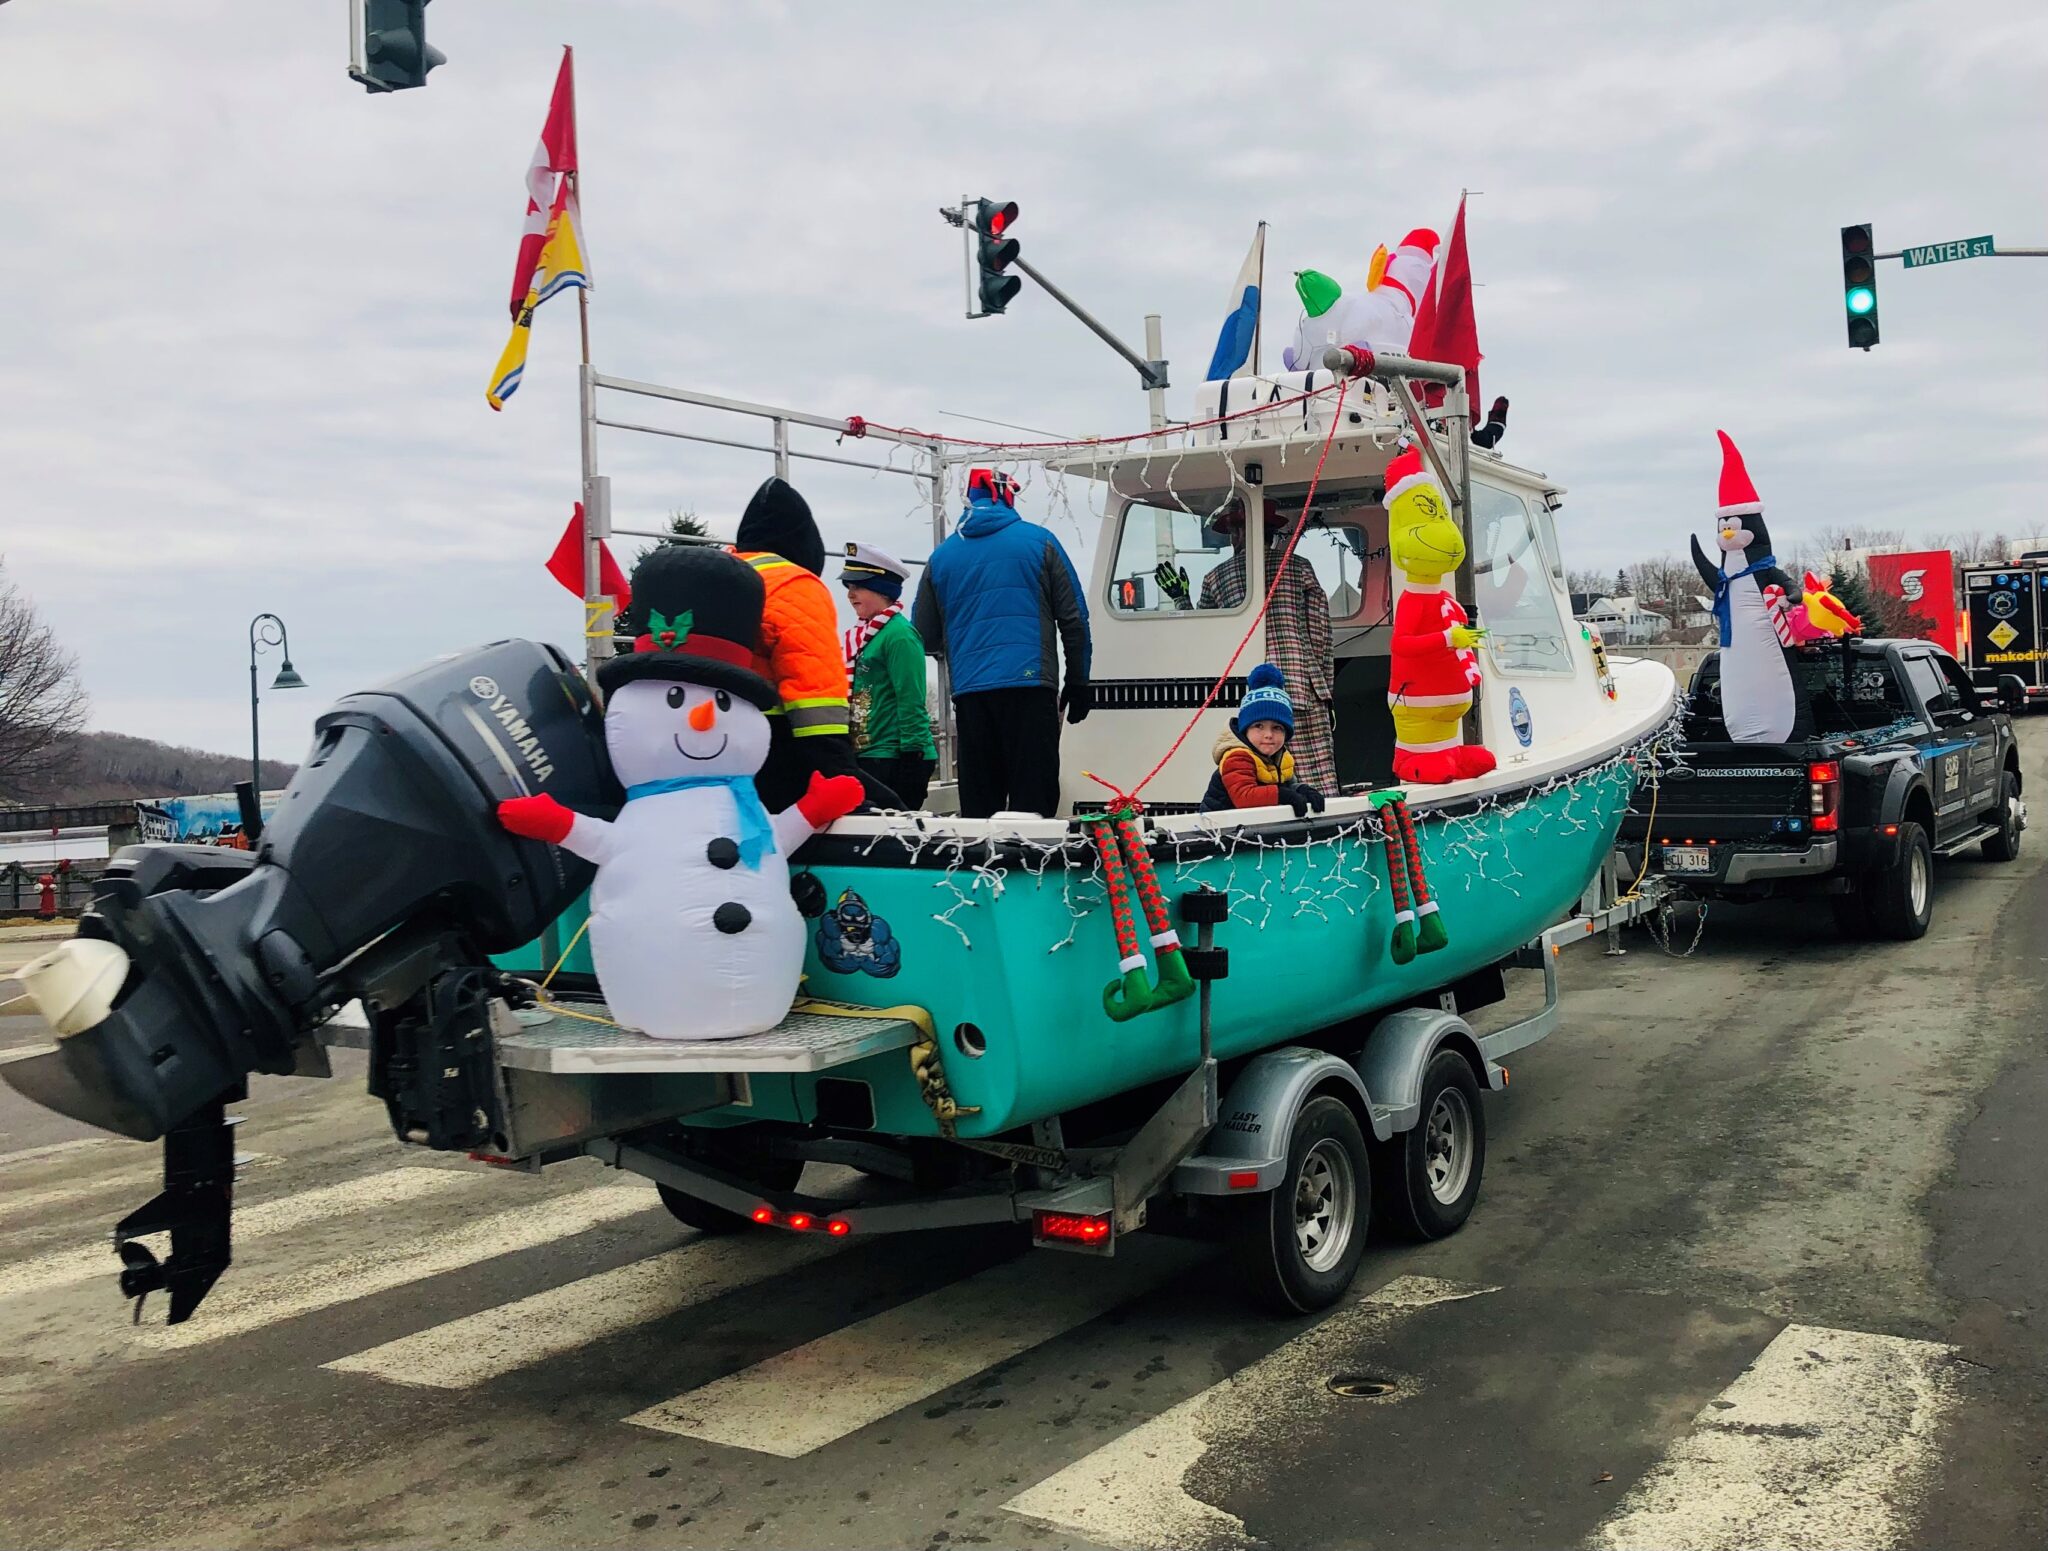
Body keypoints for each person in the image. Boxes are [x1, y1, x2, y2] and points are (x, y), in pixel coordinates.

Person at [913, 468, 1091, 819]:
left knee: (980, 804)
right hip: (1030, 685)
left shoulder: (941, 557)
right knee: (1033, 799)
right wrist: (1079, 680)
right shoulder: (1041, 542)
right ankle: (1035, 869)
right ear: (1007, 496)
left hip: (970, 694)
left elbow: (924, 634)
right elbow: (1074, 618)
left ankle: (983, 870)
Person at [729, 476, 899, 811]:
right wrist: (848, 781)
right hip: (772, 755)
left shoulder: (718, 576)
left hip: (707, 750)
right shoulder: (795, 585)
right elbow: (816, 706)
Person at [1155, 499, 1338, 793]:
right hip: (1303, 688)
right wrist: (1324, 687)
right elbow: (1321, 635)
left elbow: (1205, 638)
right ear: (1270, 533)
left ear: (1238, 534)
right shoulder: (1299, 567)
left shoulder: (1215, 577)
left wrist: (1181, 600)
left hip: (1247, 697)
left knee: (1259, 775)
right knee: (1316, 781)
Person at [839, 543, 936, 809]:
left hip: (894, 756)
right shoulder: (860, 638)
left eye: (858, 586)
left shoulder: (899, 635)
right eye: (848, 587)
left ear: (883, 589)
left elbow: (910, 698)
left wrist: (912, 758)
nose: (851, 594)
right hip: (867, 755)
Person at [1200, 664, 1327, 816]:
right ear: (1245, 729)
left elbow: (1287, 785)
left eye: (1277, 728)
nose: (1268, 734)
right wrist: (1284, 796)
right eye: (1259, 726)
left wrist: (1302, 790)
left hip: (1251, 829)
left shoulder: (1281, 757)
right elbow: (1244, 797)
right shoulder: (1237, 757)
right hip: (1219, 832)